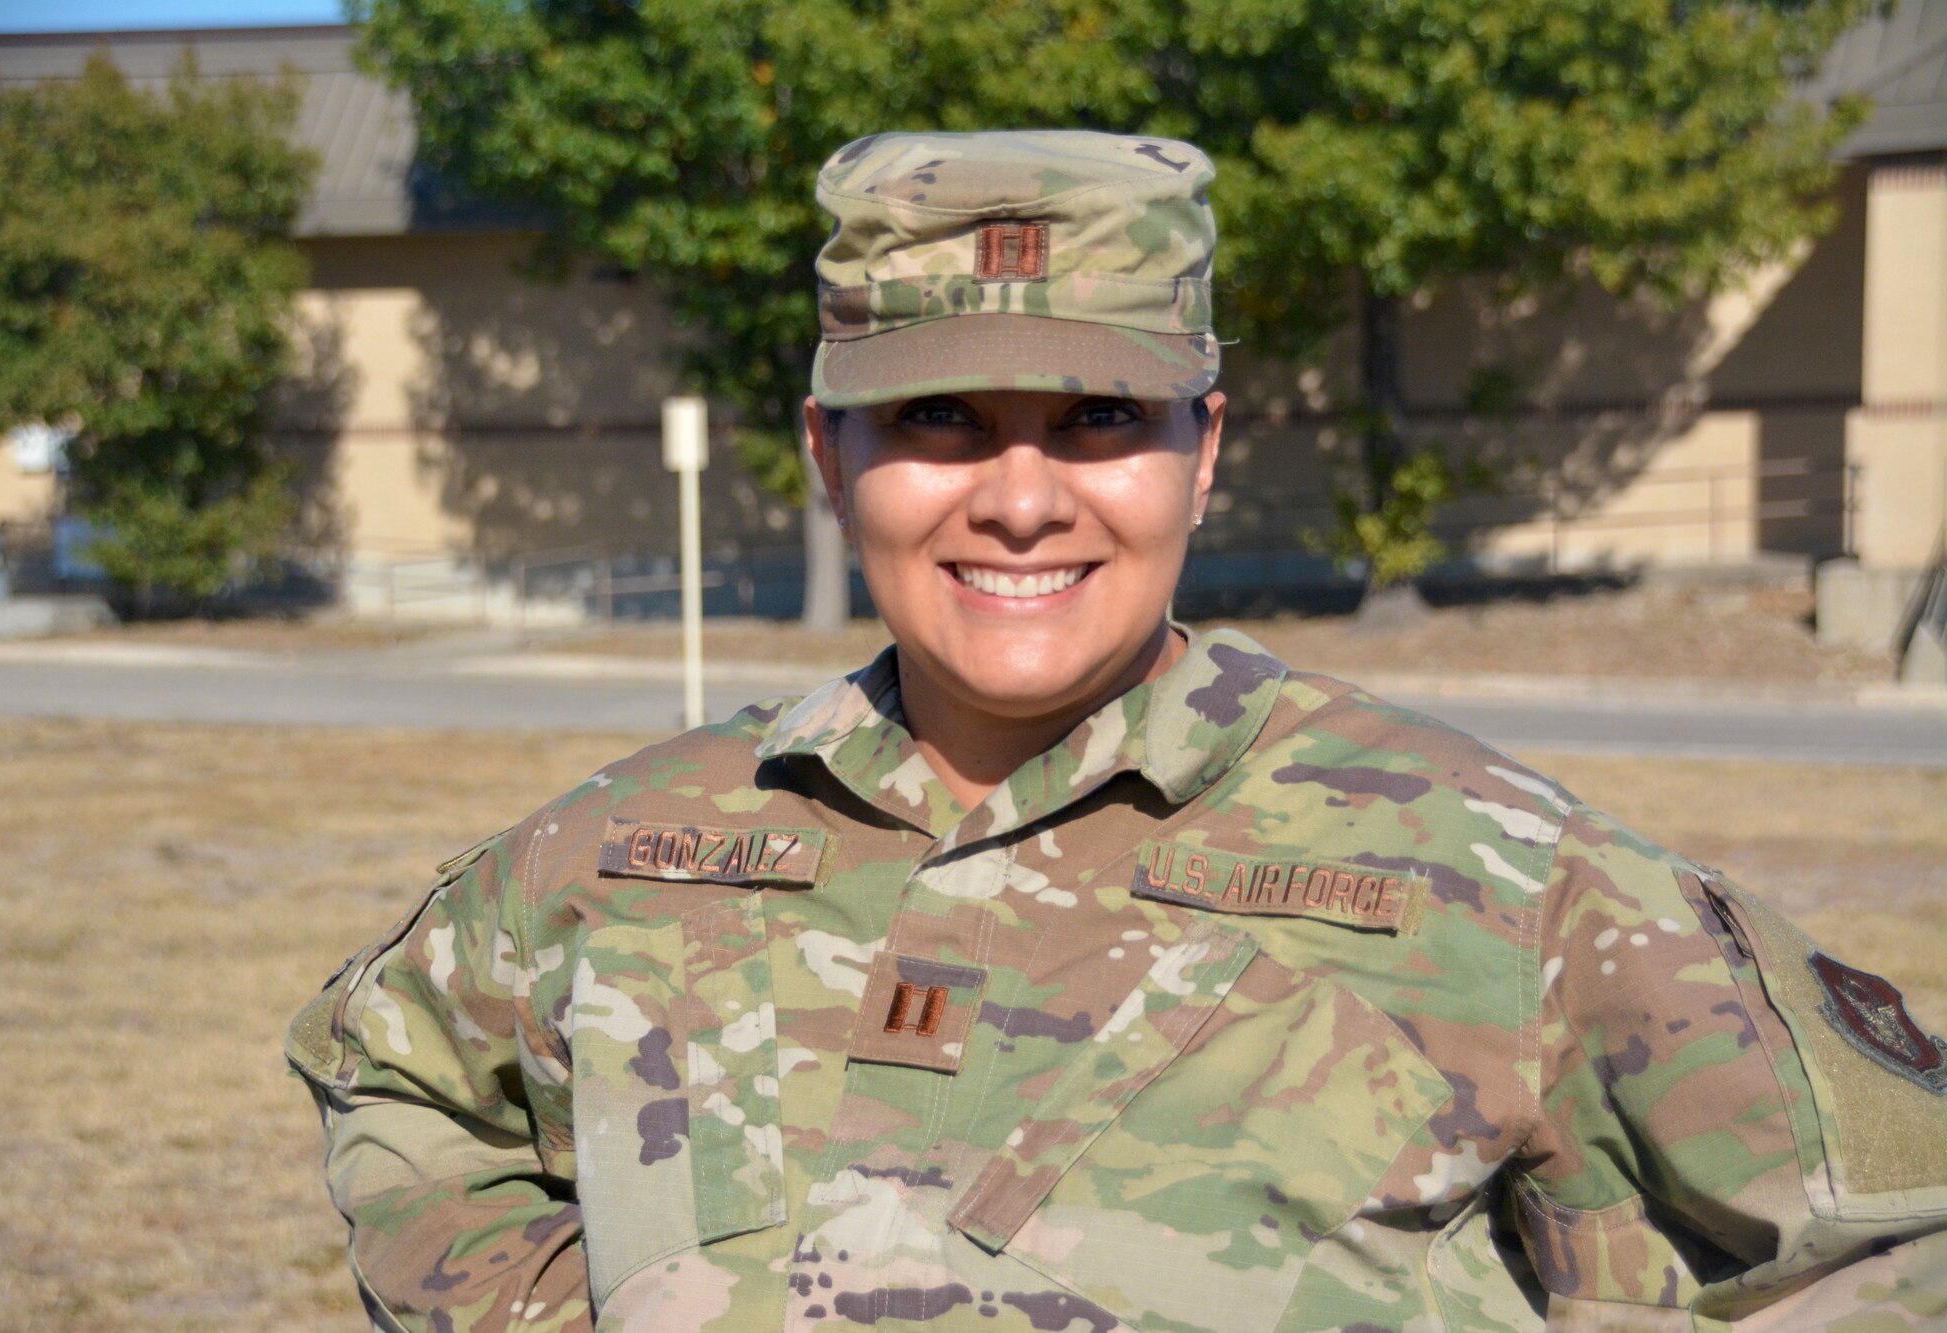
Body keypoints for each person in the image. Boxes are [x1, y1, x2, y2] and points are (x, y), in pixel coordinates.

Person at [288, 131, 1947, 1332]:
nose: (1021, 498)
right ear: (824, 449)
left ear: (1202, 450)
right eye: (938, 417)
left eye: (1100, 418)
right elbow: (398, 1077)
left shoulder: (1494, 875)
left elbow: (1881, 1222)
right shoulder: (636, 851)